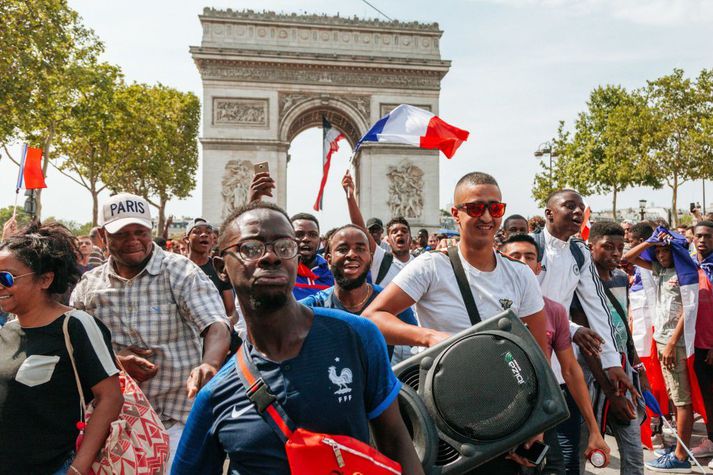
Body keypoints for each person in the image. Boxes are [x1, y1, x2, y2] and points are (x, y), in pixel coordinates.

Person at [171, 201, 423, 474]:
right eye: (251, 248)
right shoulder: (215, 395)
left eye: (283, 246)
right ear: (221, 268)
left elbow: (397, 441)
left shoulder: (357, 336)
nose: (271, 257)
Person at [363, 171, 548, 473]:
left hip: (504, 414)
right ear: (456, 214)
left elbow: (540, 347)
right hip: (442, 420)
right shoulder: (430, 267)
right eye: (475, 208)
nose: (486, 216)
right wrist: (428, 337)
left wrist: (537, 417)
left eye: (495, 208)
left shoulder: (521, 274)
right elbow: (373, 318)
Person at [70, 193, 231, 468]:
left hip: (177, 423)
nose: (133, 240)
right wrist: (115, 364)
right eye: (122, 234)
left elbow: (216, 324)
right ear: (103, 237)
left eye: (140, 232)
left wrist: (209, 364)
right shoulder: (89, 286)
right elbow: (75, 350)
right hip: (115, 429)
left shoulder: (180, 271)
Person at [0, 222, 123, 475]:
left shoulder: (75, 326)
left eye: (6, 278)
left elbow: (110, 398)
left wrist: (77, 468)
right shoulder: (7, 331)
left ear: (45, 279)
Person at [500, 234, 611, 473]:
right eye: (514, 256)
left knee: (555, 467)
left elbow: (570, 370)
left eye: (529, 257)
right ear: (501, 261)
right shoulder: (489, 305)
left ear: (539, 267)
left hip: (541, 412)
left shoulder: (554, 310)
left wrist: (593, 428)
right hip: (497, 415)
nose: (522, 262)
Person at [624, 228, 695, 472]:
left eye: (667, 250)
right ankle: (678, 450)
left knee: (682, 399)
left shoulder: (684, 272)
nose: (662, 255)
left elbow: (689, 309)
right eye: (659, 251)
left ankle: (680, 458)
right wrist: (648, 243)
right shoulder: (660, 270)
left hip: (675, 343)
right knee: (676, 397)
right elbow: (629, 258)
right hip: (663, 340)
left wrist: (673, 343)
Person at [583, 222, 648, 474]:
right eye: (608, 247)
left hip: (623, 370)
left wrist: (637, 367)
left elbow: (623, 327)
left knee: (633, 451)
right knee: (583, 445)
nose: (616, 253)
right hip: (590, 375)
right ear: (591, 247)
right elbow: (587, 346)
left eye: (620, 248)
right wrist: (612, 394)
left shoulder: (621, 277)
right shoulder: (581, 284)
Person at [299, 224, 418, 360]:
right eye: (343, 249)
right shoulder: (313, 307)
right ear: (329, 260)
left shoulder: (390, 302)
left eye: (360, 249)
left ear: (371, 258)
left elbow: (421, 347)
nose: (352, 254)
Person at [341, 171, 413, 287]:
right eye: (394, 232)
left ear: (410, 239)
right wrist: (350, 196)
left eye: (404, 231)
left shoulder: (421, 263)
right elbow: (361, 229)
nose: (400, 234)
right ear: (387, 240)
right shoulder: (380, 259)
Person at [691, 220, 713, 463]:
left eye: (708, 236)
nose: (702, 240)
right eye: (698, 236)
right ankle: (710, 440)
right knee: (706, 397)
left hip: (710, 345)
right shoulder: (689, 264)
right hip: (694, 343)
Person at [185, 218, 236, 321]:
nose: (204, 235)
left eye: (208, 232)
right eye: (197, 232)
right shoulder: (177, 267)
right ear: (186, 239)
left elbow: (231, 311)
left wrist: (227, 325)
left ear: (213, 240)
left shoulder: (220, 268)